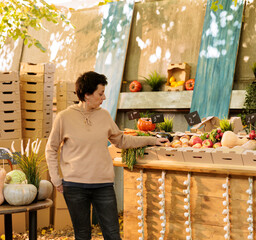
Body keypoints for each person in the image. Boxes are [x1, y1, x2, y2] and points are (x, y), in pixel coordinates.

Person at [45, 71, 168, 240]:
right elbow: (51, 149)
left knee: (112, 234)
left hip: (103, 185)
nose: (104, 98)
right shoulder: (64, 117)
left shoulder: (104, 116)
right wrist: (56, 179)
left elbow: (121, 140)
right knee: (82, 234)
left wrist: (151, 140)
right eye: (100, 93)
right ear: (87, 95)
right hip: (74, 186)